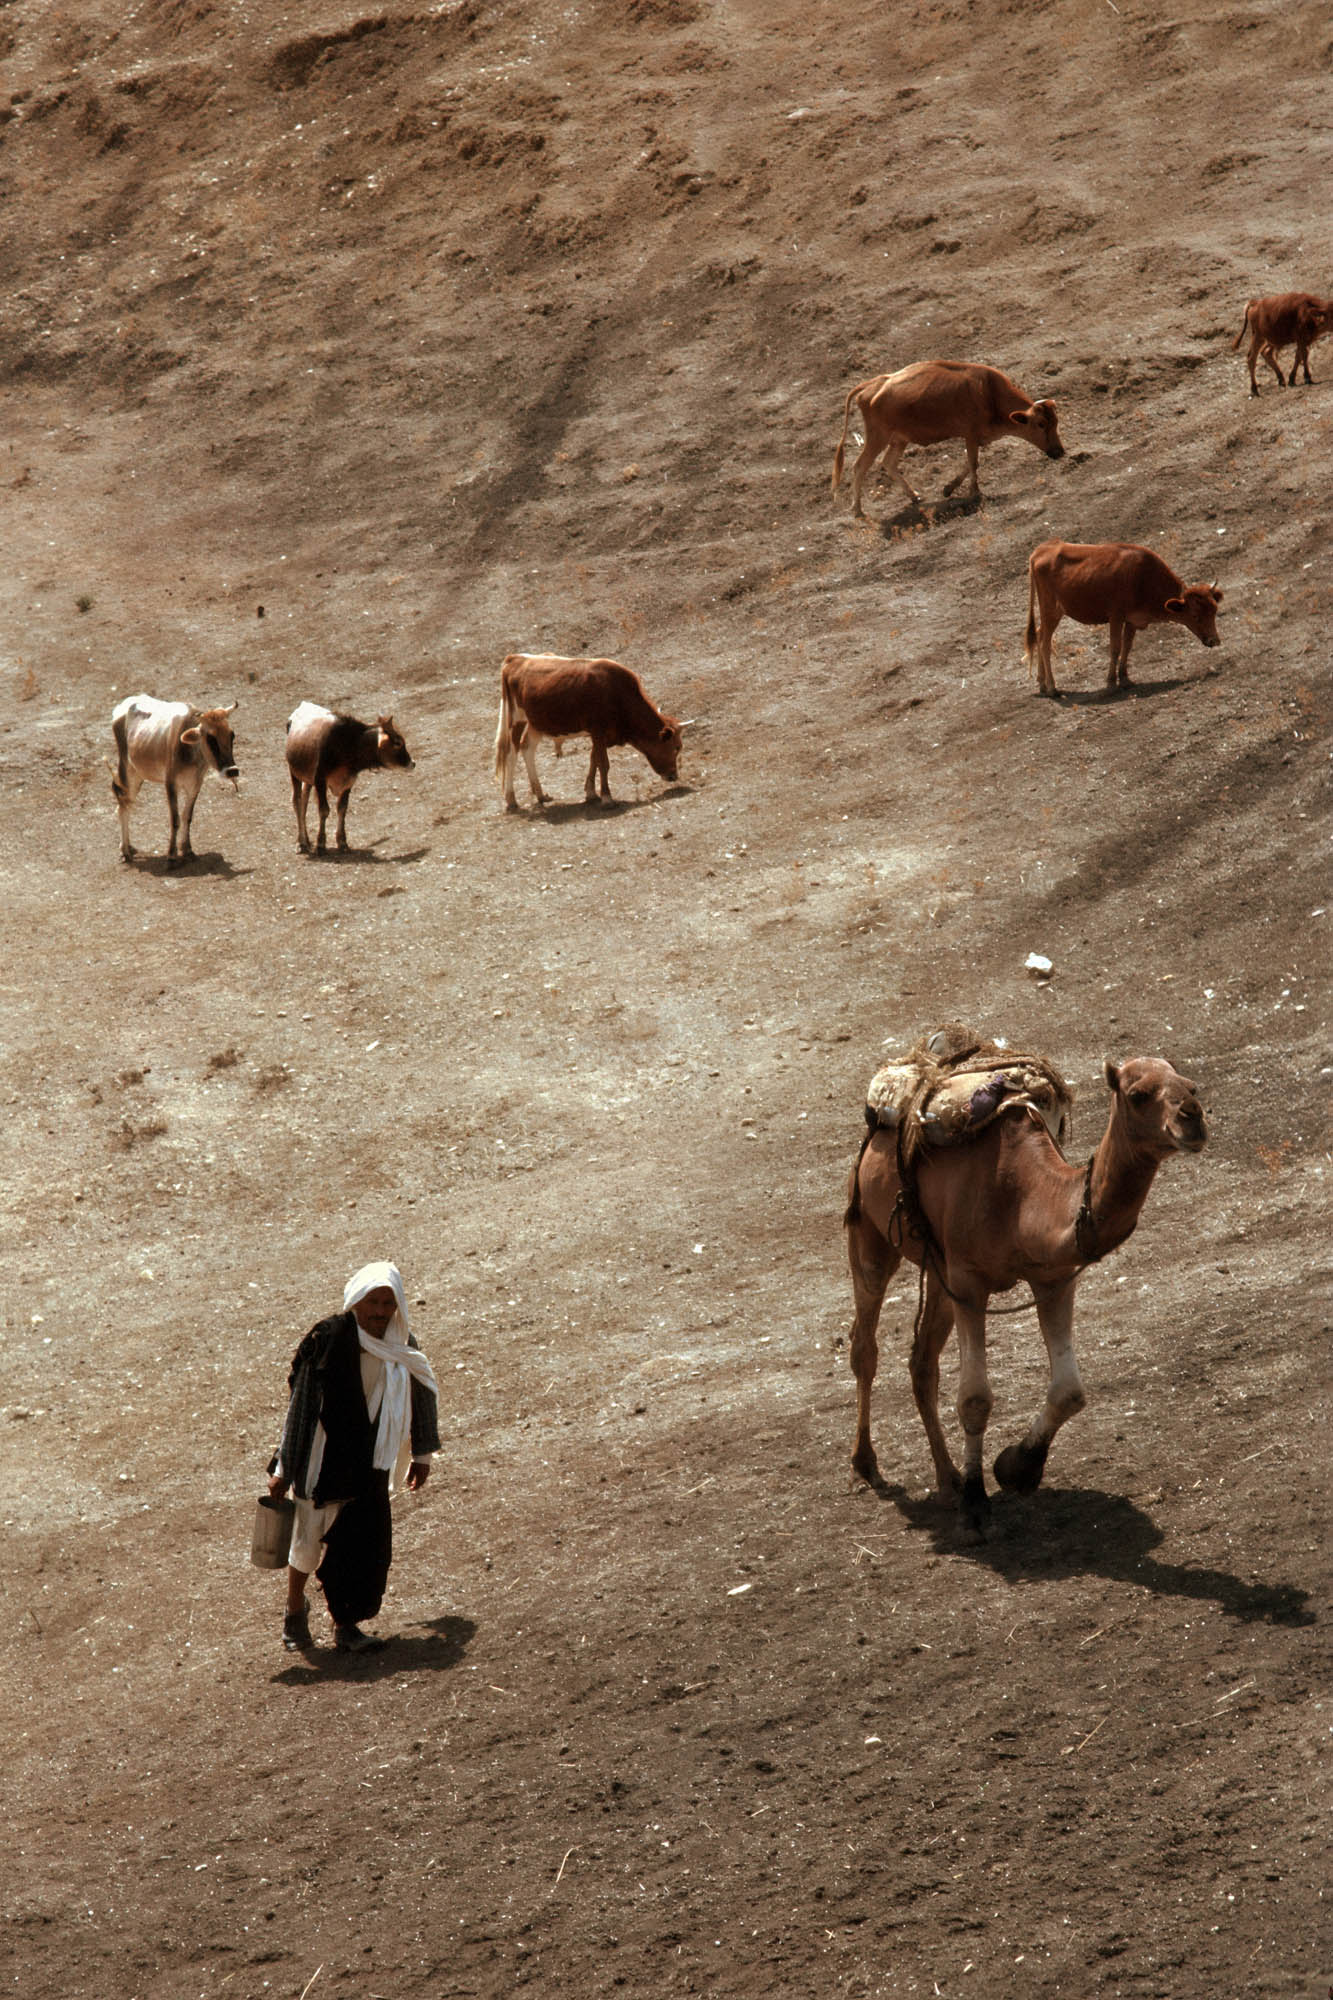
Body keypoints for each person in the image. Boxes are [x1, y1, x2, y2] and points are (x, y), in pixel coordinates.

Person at [267, 1261, 439, 1654]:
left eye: (387, 1303)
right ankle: (295, 1608)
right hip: (324, 1460)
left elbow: (422, 1388)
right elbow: (303, 1407)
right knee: (308, 1540)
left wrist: (423, 1453)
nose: (379, 1311)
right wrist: (284, 1467)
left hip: (371, 1463)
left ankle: (346, 1623)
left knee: (363, 1547)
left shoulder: (401, 1344)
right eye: (372, 1302)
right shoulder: (328, 1340)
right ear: (356, 1301)